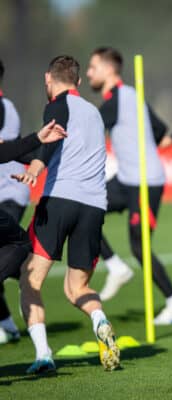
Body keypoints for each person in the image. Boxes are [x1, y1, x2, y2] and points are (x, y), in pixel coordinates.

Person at [16, 55, 119, 374]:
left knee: (29, 280)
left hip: (59, 200)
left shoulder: (58, 105)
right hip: (94, 206)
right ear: (77, 80)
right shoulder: (93, 113)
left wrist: (36, 164)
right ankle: (100, 319)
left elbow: (52, 134)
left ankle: (44, 354)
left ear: (49, 79)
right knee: (76, 288)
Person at [86, 47, 172, 324]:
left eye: (92, 67)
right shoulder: (130, 96)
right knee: (84, 207)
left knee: (139, 246)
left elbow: (90, 128)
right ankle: (116, 267)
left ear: (109, 69)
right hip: (126, 178)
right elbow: (158, 128)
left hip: (146, 181)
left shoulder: (119, 98)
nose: (88, 73)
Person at [0, 59, 30, 344]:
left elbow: (10, 150)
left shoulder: (4, 107)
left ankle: (27, 274)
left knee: (15, 246)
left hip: (11, 192)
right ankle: (7, 325)